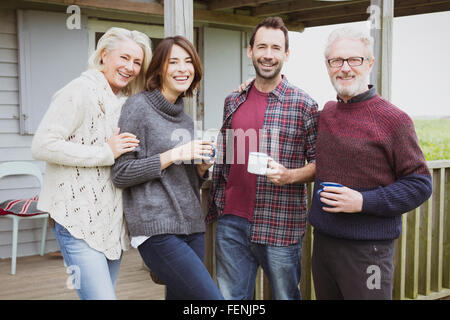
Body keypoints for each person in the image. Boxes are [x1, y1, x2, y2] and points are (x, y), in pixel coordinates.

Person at [308, 26, 432, 300]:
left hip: (369, 250)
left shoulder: (393, 120)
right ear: (327, 66)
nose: (345, 68)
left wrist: (363, 202)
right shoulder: (327, 113)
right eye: (336, 61)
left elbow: (420, 184)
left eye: (354, 60)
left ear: (369, 64)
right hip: (324, 245)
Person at [31, 27, 152, 299]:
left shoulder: (123, 102)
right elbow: (42, 144)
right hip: (76, 220)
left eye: (136, 62)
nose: (130, 67)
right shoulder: (80, 90)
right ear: (104, 55)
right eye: (124, 58)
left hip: (110, 224)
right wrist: (104, 153)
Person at [206, 17, 319, 300]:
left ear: (286, 54)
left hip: (279, 223)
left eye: (275, 48)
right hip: (231, 222)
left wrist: (290, 176)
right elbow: (228, 153)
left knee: (285, 296)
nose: (268, 55)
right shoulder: (234, 100)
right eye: (262, 47)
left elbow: (321, 163)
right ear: (250, 51)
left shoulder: (304, 104)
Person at [111, 36, 223, 300]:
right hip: (156, 229)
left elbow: (184, 181)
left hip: (192, 227)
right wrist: (174, 154)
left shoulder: (184, 118)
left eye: (188, 62)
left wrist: (201, 169)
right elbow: (121, 173)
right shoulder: (137, 107)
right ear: (159, 68)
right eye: (174, 62)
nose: (183, 68)